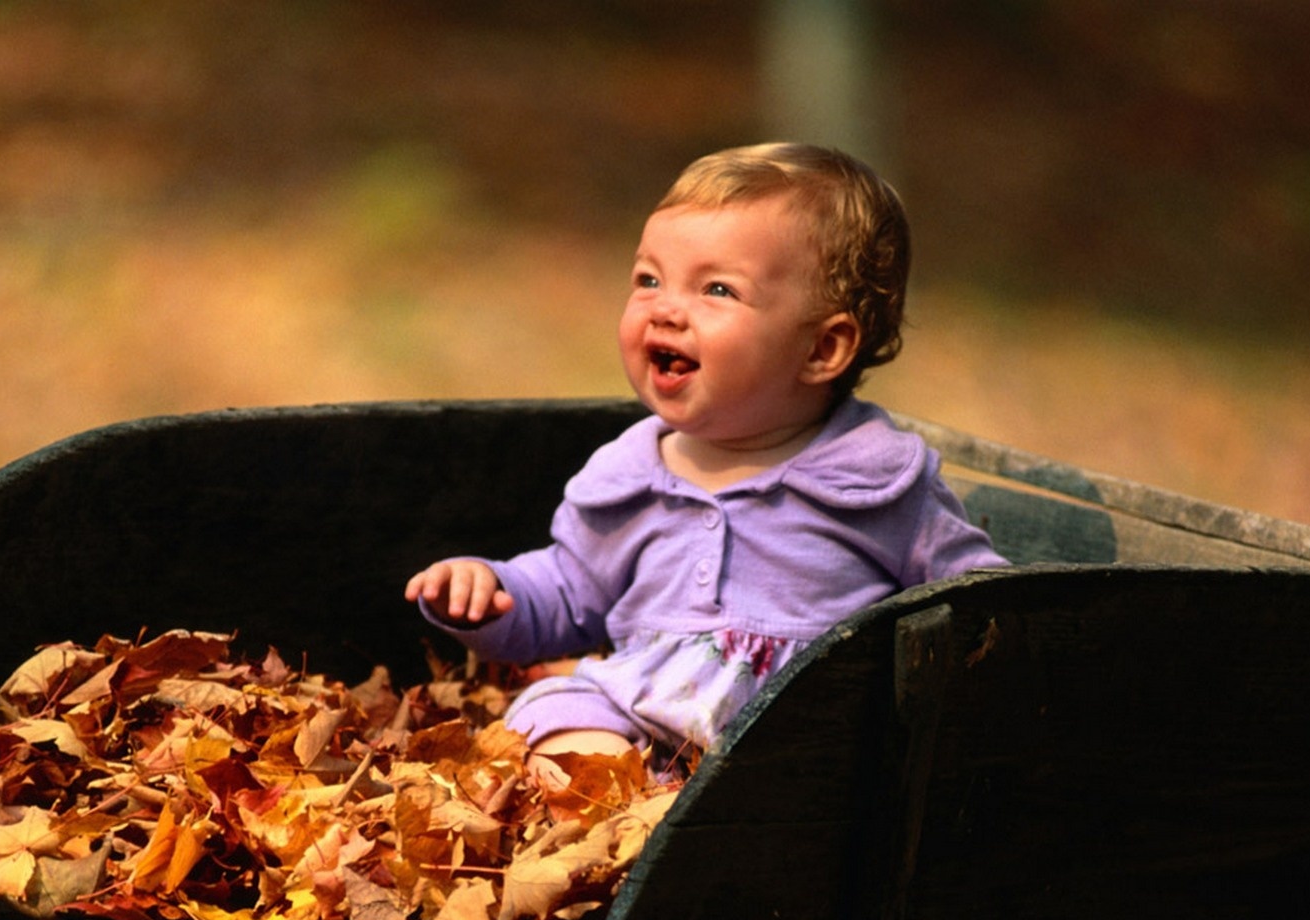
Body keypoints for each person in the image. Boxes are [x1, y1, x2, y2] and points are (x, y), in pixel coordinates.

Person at [405, 142, 1007, 778]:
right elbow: (569, 590)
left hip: (795, 747)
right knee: (554, 725)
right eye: (649, 279)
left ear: (822, 349)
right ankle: (622, 826)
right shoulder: (630, 475)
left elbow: (977, 603)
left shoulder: (873, 479)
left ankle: (668, 831)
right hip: (638, 713)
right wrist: (493, 594)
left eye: (717, 289)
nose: (665, 307)